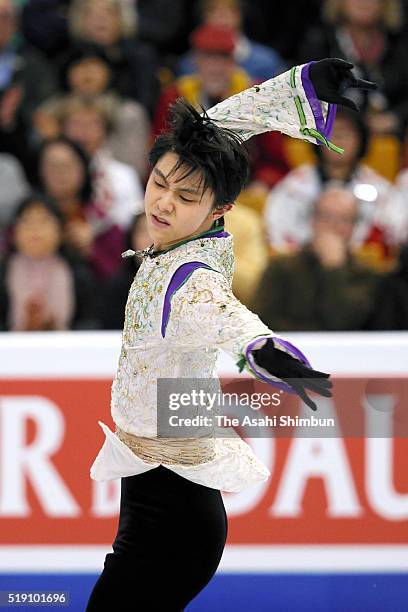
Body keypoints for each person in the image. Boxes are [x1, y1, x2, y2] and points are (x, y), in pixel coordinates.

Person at [86, 58, 373, 610]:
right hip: (157, 491)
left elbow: (229, 320)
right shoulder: (189, 232)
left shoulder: (188, 283)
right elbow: (220, 129)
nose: (163, 202)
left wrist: (269, 352)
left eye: (185, 196)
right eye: (159, 183)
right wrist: (305, 84)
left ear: (221, 210)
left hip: (173, 520)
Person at [264, 107, 402, 269]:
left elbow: (390, 236)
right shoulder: (294, 186)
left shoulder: (380, 190)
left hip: (361, 271)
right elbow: (277, 232)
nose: (339, 139)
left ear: (361, 140)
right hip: (303, 268)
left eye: (347, 134)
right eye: (332, 132)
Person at [251, 186, 381, 331]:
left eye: (344, 220)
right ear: (312, 220)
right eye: (326, 217)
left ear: (353, 227)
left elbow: (347, 325)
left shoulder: (366, 274)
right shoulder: (281, 268)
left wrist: (334, 270)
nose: (333, 226)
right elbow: (261, 323)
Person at [0, 193, 98, 331]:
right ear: (14, 231)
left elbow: (92, 324)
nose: (35, 229)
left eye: (44, 221)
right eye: (26, 221)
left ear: (60, 230)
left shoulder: (78, 271)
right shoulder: (3, 271)